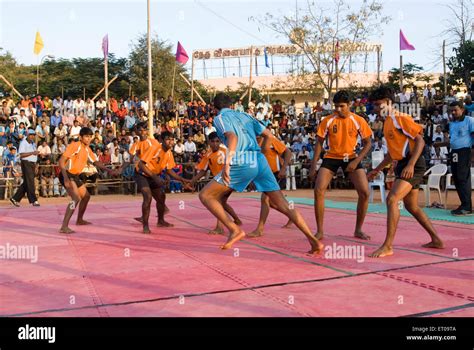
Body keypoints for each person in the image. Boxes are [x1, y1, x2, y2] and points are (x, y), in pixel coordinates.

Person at [198, 93, 323, 254]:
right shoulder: (245, 115)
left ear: (214, 108)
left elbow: (232, 137)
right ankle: (313, 241)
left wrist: (227, 163)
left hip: (242, 160)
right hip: (259, 160)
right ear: (232, 104)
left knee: (206, 195)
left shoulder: (219, 118)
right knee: (283, 204)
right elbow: (269, 135)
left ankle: (234, 229)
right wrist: (263, 151)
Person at [367, 86, 444, 257]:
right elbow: (391, 153)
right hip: (403, 164)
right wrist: (377, 169)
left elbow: (420, 141)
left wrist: (411, 165)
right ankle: (436, 239)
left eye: (379, 104)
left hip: (413, 164)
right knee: (411, 206)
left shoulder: (400, 118)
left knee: (392, 199)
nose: (376, 108)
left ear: (388, 103)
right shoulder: (387, 122)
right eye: (374, 105)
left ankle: (388, 245)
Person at [309, 90, 373, 241]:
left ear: (349, 105)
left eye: (341, 106)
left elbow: (368, 143)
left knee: (364, 193)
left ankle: (358, 229)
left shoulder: (359, 120)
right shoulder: (328, 120)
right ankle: (319, 231)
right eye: (336, 106)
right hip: (331, 157)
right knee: (318, 190)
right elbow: (319, 142)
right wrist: (313, 165)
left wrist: (356, 161)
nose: (338, 109)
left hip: (351, 157)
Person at [58, 127, 121, 233]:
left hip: (75, 175)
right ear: (80, 137)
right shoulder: (75, 146)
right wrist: (65, 178)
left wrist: (109, 170)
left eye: (90, 137)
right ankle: (64, 226)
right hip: (67, 174)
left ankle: (79, 219)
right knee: (75, 198)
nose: (88, 139)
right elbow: (61, 161)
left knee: (86, 196)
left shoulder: (88, 150)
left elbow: (96, 162)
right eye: (86, 136)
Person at [137, 131, 191, 233]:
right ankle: (145, 226)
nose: (171, 142)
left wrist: (183, 180)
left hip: (153, 176)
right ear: (161, 140)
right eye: (168, 139)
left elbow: (169, 170)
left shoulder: (169, 153)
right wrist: (155, 177)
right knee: (147, 197)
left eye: (172, 139)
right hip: (142, 174)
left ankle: (161, 221)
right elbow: (141, 165)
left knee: (161, 196)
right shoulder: (154, 148)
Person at [190, 132, 242, 234]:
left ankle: (220, 227)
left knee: (216, 201)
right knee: (222, 203)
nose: (215, 144)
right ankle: (237, 220)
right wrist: (192, 181)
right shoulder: (208, 154)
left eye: (217, 141)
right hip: (218, 181)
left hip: (227, 180)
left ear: (220, 142)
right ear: (209, 142)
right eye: (213, 141)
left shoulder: (225, 151)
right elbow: (203, 171)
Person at [247, 134, 293, 237]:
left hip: (276, 174)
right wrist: (251, 180)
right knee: (273, 203)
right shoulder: (251, 145)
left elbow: (288, 152)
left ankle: (260, 228)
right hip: (264, 175)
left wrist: (283, 168)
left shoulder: (271, 140)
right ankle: (292, 214)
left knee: (265, 199)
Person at [434, 101, 474, 216]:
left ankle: (467, 206)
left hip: (465, 152)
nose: (453, 112)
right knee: (456, 178)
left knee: (462, 178)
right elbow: (453, 142)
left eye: (455, 110)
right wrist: (439, 144)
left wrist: (472, 155)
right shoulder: (452, 124)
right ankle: (464, 204)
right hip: (454, 152)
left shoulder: (469, 121)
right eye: (451, 111)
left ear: (462, 109)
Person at [10, 129, 40, 207]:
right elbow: (22, 155)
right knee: (30, 182)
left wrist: (36, 165)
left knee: (27, 183)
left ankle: (15, 198)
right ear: (27, 135)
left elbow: (35, 155)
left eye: (33, 135)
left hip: (32, 164)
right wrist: (32, 153)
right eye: (31, 135)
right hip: (26, 163)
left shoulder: (33, 143)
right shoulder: (23, 143)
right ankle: (34, 200)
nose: (32, 136)